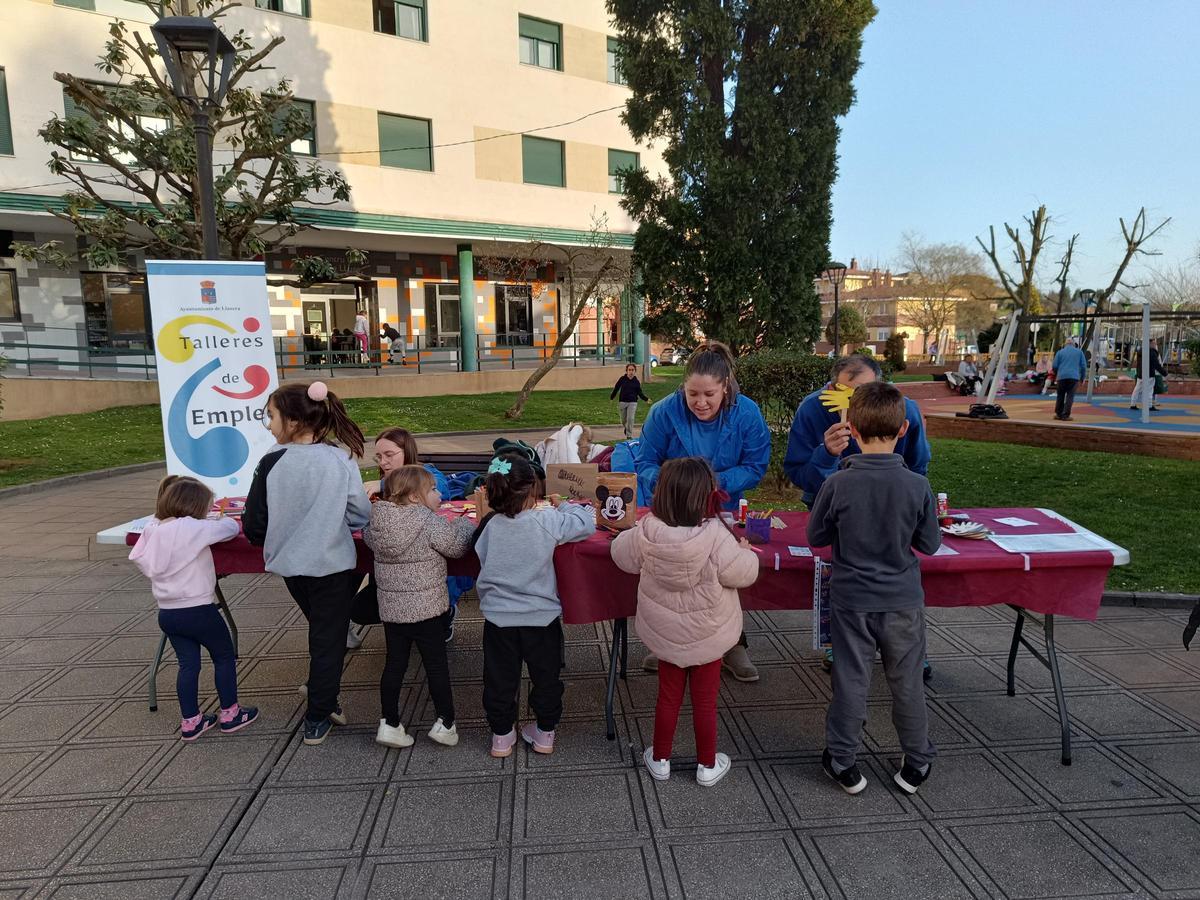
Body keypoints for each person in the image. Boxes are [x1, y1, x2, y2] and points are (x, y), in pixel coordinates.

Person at [807, 381, 942, 796]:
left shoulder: (838, 485)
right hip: (902, 600)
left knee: (851, 679)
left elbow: (817, 536)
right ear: (904, 429)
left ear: (851, 428)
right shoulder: (918, 487)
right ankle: (917, 761)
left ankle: (844, 761)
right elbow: (929, 544)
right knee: (907, 682)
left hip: (852, 601)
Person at [612, 457, 759, 787]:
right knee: (705, 702)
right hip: (709, 634)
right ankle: (707, 765)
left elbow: (620, 554)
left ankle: (661, 758)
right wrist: (746, 551)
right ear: (707, 495)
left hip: (665, 636)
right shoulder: (717, 537)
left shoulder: (647, 530)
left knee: (667, 697)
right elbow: (743, 573)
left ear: (662, 493)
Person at [783, 354, 933, 676]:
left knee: (901, 565)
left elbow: (918, 465)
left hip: (892, 501)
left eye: (864, 392)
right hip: (834, 504)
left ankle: (909, 647)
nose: (856, 403)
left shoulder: (904, 410)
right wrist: (825, 454)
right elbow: (797, 472)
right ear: (830, 388)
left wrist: (909, 497)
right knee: (842, 567)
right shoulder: (813, 409)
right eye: (846, 393)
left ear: (882, 386)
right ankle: (842, 643)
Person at [634, 341, 771, 682]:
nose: (700, 402)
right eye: (692, 393)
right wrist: (671, 485)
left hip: (723, 509)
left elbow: (756, 466)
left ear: (726, 386)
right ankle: (667, 643)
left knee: (725, 577)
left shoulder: (747, 413)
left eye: (709, 394)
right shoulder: (664, 411)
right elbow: (645, 461)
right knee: (672, 577)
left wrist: (712, 484)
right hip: (674, 512)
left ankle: (733, 643)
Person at [244, 381, 372, 747]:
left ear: (295, 420)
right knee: (327, 640)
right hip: (330, 565)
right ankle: (319, 711)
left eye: (271, 416)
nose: (268, 424)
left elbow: (254, 522)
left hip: (290, 567)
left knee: (323, 632)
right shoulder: (339, 458)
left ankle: (321, 692)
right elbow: (360, 513)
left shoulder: (271, 460)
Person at [473, 454, 594, 758]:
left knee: (499, 680)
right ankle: (545, 734)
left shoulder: (488, 525)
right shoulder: (547, 520)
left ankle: (501, 736)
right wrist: (561, 503)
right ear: (531, 490)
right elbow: (586, 523)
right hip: (541, 619)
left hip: (499, 620)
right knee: (547, 678)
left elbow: (482, 558)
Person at [130, 476, 259, 741]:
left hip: (167, 612)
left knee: (187, 665)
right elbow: (230, 528)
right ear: (195, 507)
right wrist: (215, 519)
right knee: (223, 656)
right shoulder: (192, 528)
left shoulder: (153, 529)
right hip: (199, 609)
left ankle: (191, 721)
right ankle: (230, 713)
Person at [364, 465, 476, 750]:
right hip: (427, 609)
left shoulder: (376, 521)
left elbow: (366, 538)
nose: (439, 493)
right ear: (415, 497)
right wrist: (465, 524)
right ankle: (445, 723)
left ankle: (390, 723)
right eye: (434, 489)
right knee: (436, 666)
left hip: (392, 610)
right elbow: (456, 547)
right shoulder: (426, 520)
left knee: (394, 665)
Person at [351, 427, 470, 645]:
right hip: (395, 579)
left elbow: (439, 487)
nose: (383, 462)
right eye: (379, 456)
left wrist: (385, 484)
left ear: (407, 451)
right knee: (358, 603)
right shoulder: (382, 494)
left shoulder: (425, 474)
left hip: (433, 577)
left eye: (389, 455)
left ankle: (446, 613)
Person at [610, 363, 651, 440]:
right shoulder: (622, 379)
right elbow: (616, 388)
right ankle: (626, 427)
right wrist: (612, 397)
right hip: (622, 402)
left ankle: (629, 435)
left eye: (632, 370)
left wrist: (646, 399)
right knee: (623, 420)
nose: (631, 371)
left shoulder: (636, 382)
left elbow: (639, 393)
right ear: (626, 371)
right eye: (629, 370)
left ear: (635, 371)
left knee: (630, 419)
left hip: (633, 402)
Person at [1051, 338, 1087, 421]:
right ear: (1074, 344)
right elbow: (1083, 366)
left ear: (1065, 344)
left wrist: (1057, 373)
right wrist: (1082, 377)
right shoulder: (1079, 352)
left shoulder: (1060, 352)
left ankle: (1058, 413)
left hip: (1061, 377)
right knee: (1070, 395)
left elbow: (1055, 366)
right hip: (1074, 377)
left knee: (1060, 395)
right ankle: (1066, 415)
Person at [1132, 339, 1167, 412]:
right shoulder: (1152, 352)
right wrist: (1164, 373)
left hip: (1140, 373)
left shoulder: (1140, 351)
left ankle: (1133, 404)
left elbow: (1138, 363)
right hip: (1149, 374)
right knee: (1149, 390)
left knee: (1137, 389)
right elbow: (1156, 365)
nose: (1155, 345)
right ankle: (1149, 406)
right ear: (1150, 344)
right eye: (1154, 343)